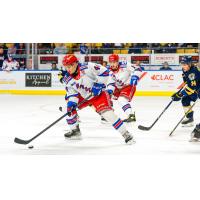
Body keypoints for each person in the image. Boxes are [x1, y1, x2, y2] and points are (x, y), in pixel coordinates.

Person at [61, 54, 135, 144]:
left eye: (70, 66)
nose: (68, 69)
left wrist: (99, 84)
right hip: (84, 96)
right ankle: (75, 131)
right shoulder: (66, 78)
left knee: (108, 115)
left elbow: (105, 72)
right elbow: (72, 93)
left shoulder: (87, 67)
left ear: (76, 63)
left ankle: (126, 134)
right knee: (67, 108)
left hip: (99, 95)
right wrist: (72, 103)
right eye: (66, 67)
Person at [106, 54, 143, 123]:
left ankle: (131, 116)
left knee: (121, 99)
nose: (112, 64)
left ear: (117, 62)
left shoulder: (125, 64)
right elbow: (110, 82)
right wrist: (110, 90)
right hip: (118, 88)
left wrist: (135, 76)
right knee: (106, 96)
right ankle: (107, 115)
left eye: (114, 62)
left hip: (128, 85)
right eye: (110, 62)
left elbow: (138, 69)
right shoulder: (108, 71)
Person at [171, 56, 200, 127]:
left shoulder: (193, 72)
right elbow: (187, 80)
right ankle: (190, 119)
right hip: (196, 88)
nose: (183, 66)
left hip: (197, 89)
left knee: (184, 98)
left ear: (189, 64)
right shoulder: (185, 69)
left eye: (185, 64)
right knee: (185, 100)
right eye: (182, 64)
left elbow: (191, 88)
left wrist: (179, 94)